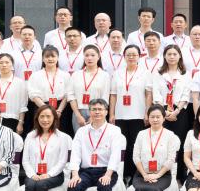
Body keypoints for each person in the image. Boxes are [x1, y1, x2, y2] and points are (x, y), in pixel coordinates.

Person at [66, 98, 125, 191]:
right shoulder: (81, 131)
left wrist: (108, 175)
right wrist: (75, 174)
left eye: (100, 109)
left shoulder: (114, 130)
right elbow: (75, 154)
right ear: (90, 112)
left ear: (106, 112)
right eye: (94, 109)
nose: (97, 112)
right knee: (73, 187)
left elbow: (115, 155)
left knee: (104, 186)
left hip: (106, 170)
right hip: (86, 172)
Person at [131, 104, 181, 191]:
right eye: (152, 117)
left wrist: (157, 175)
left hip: (163, 174)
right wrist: (144, 174)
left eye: (158, 117)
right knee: (140, 188)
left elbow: (171, 159)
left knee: (152, 189)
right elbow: (136, 157)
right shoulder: (141, 134)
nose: (155, 119)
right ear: (148, 118)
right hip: (142, 173)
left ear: (164, 118)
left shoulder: (170, 136)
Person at [22, 105, 70, 191]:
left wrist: (48, 174)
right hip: (34, 174)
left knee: (41, 185)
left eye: (48, 116)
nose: (45, 120)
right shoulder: (30, 136)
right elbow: (25, 160)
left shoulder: (62, 137)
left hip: (54, 175)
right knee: (30, 185)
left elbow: (62, 161)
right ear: (37, 119)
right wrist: (32, 174)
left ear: (54, 118)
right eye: (42, 116)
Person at [110, 44, 151, 183]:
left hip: (138, 115)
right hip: (121, 115)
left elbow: (148, 94)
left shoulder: (145, 73)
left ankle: (136, 174)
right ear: (124, 57)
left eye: (134, 54)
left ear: (139, 56)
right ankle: (124, 174)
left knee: (136, 146)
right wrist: (112, 114)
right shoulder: (117, 73)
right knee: (122, 146)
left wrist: (147, 112)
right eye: (128, 55)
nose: (131, 57)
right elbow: (113, 95)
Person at [154, 45, 192, 182]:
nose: (171, 57)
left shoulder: (185, 74)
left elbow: (186, 94)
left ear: (179, 56)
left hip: (180, 112)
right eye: (169, 54)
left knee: (180, 143)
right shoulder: (158, 74)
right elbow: (156, 94)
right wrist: (164, 112)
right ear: (164, 56)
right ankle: (163, 174)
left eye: (174, 54)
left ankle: (180, 176)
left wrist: (176, 111)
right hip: (162, 111)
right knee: (163, 143)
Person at [27, 46, 72, 136]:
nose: (50, 59)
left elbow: (68, 94)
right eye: (47, 56)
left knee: (61, 135)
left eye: (53, 56)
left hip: (61, 109)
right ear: (43, 59)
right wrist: (47, 110)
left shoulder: (65, 75)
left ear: (58, 58)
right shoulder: (35, 75)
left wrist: (59, 110)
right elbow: (33, 95)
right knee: (41, 134)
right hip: (41, 107)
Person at [69, 45, 111, 132]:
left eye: (92, 55)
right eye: (87, 55)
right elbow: (71, 95)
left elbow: (105, 97)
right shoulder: (76, 75)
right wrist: (77, 115)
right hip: (79, 112)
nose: (89, 58)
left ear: (98, 57)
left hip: (97, 111)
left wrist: (94, 115)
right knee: (80, 137)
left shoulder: (104, 75)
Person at [0, 53, 27, 135]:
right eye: (1, 62)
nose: (4, 65)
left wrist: (20, 123)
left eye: (7, 62)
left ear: (12, 64)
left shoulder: (19, 83)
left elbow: (22, 105)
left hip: (12, 119)